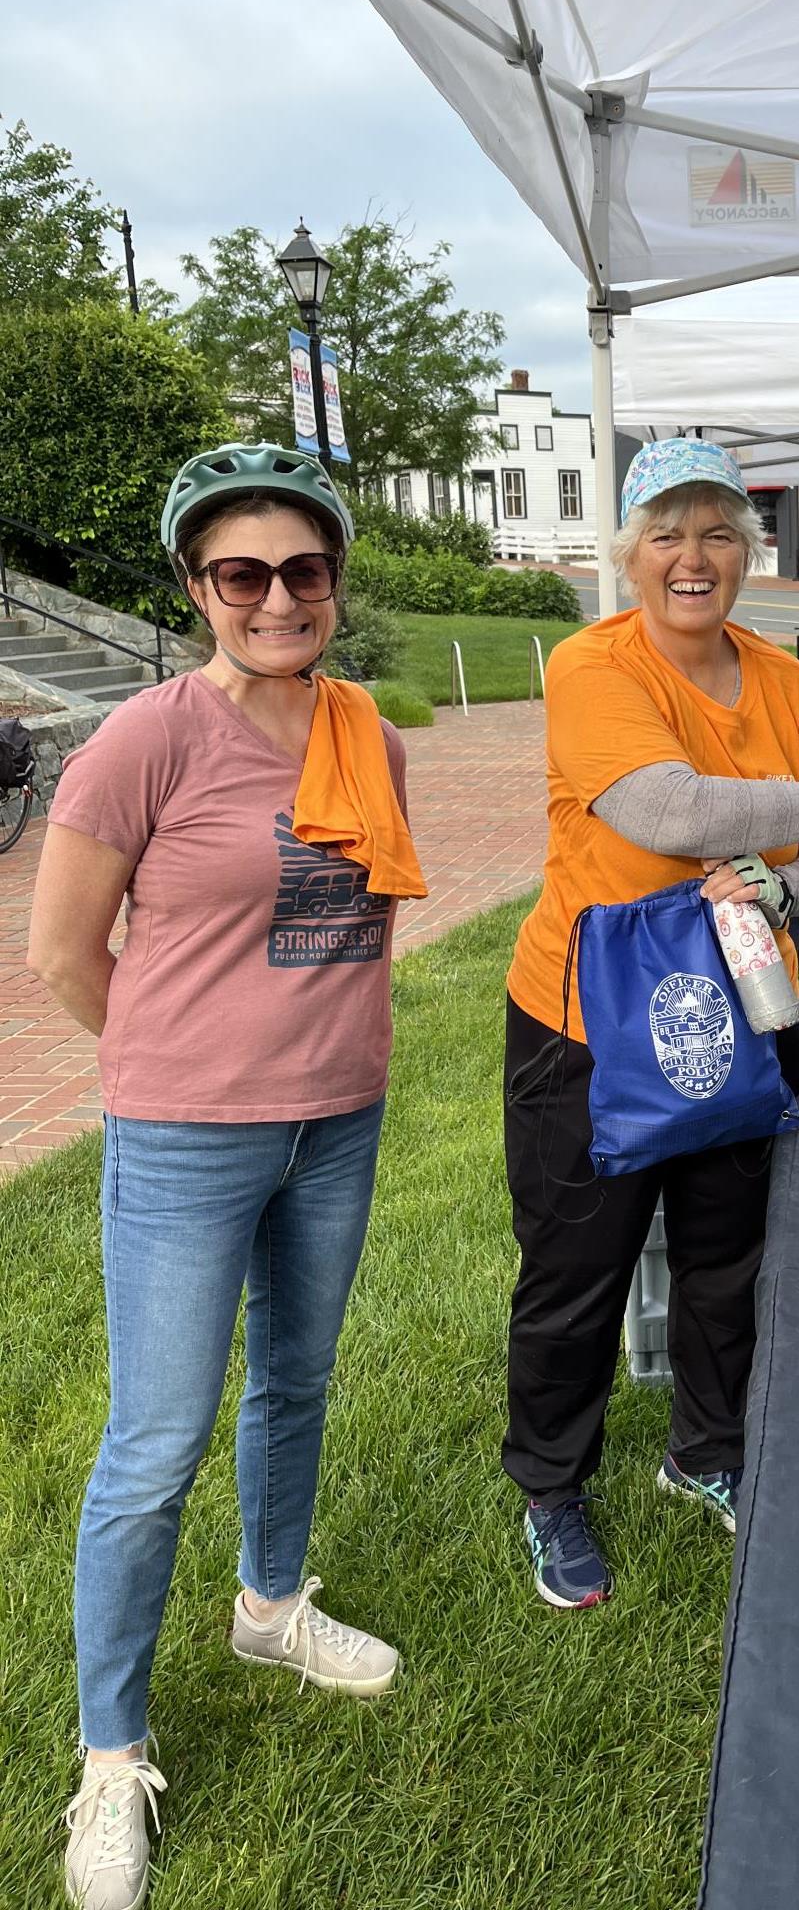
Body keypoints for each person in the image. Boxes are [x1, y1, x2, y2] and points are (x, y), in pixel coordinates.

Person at [28, 443, 426, 1910]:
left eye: (303, 570)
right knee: (156, 1440)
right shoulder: (146, 739)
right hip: (189, 1135)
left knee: (297, 1385)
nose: (277, 596)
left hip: (340, 1118)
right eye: (242, 573)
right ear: (199, 587)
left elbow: (360, 914)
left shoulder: (365, 732)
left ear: (333, 581)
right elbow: (65, 954)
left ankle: (269, 1607)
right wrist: (179, 1069)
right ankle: (110, 1754)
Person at [502, 437, 799, 1610]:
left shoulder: (784, 679)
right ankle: (552, 1485)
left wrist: (780, 885)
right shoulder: (590, 666)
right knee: (577, 1268)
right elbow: (668, 806)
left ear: (749, 553)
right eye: (665, 531)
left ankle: (705, 1452)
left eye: (718, 531)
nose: (692, 556)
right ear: (628, 552)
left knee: (728, 1257)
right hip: (591, 1020)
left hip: (749, 1004)